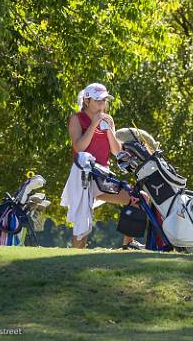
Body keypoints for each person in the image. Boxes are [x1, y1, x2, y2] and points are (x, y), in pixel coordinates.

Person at [60, 82, 144, 250]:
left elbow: (116, 151)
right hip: (83, 176)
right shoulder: (76, 119)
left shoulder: (108, 119)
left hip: (102, 175)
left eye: (104, 101)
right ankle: (75, 259)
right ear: (87, 101)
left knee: (137, 199)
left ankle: (128, 245)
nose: (102, 105)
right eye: (98, 101)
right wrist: (93, 125)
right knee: (82, 224)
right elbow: (79, 147)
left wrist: (108, 130)